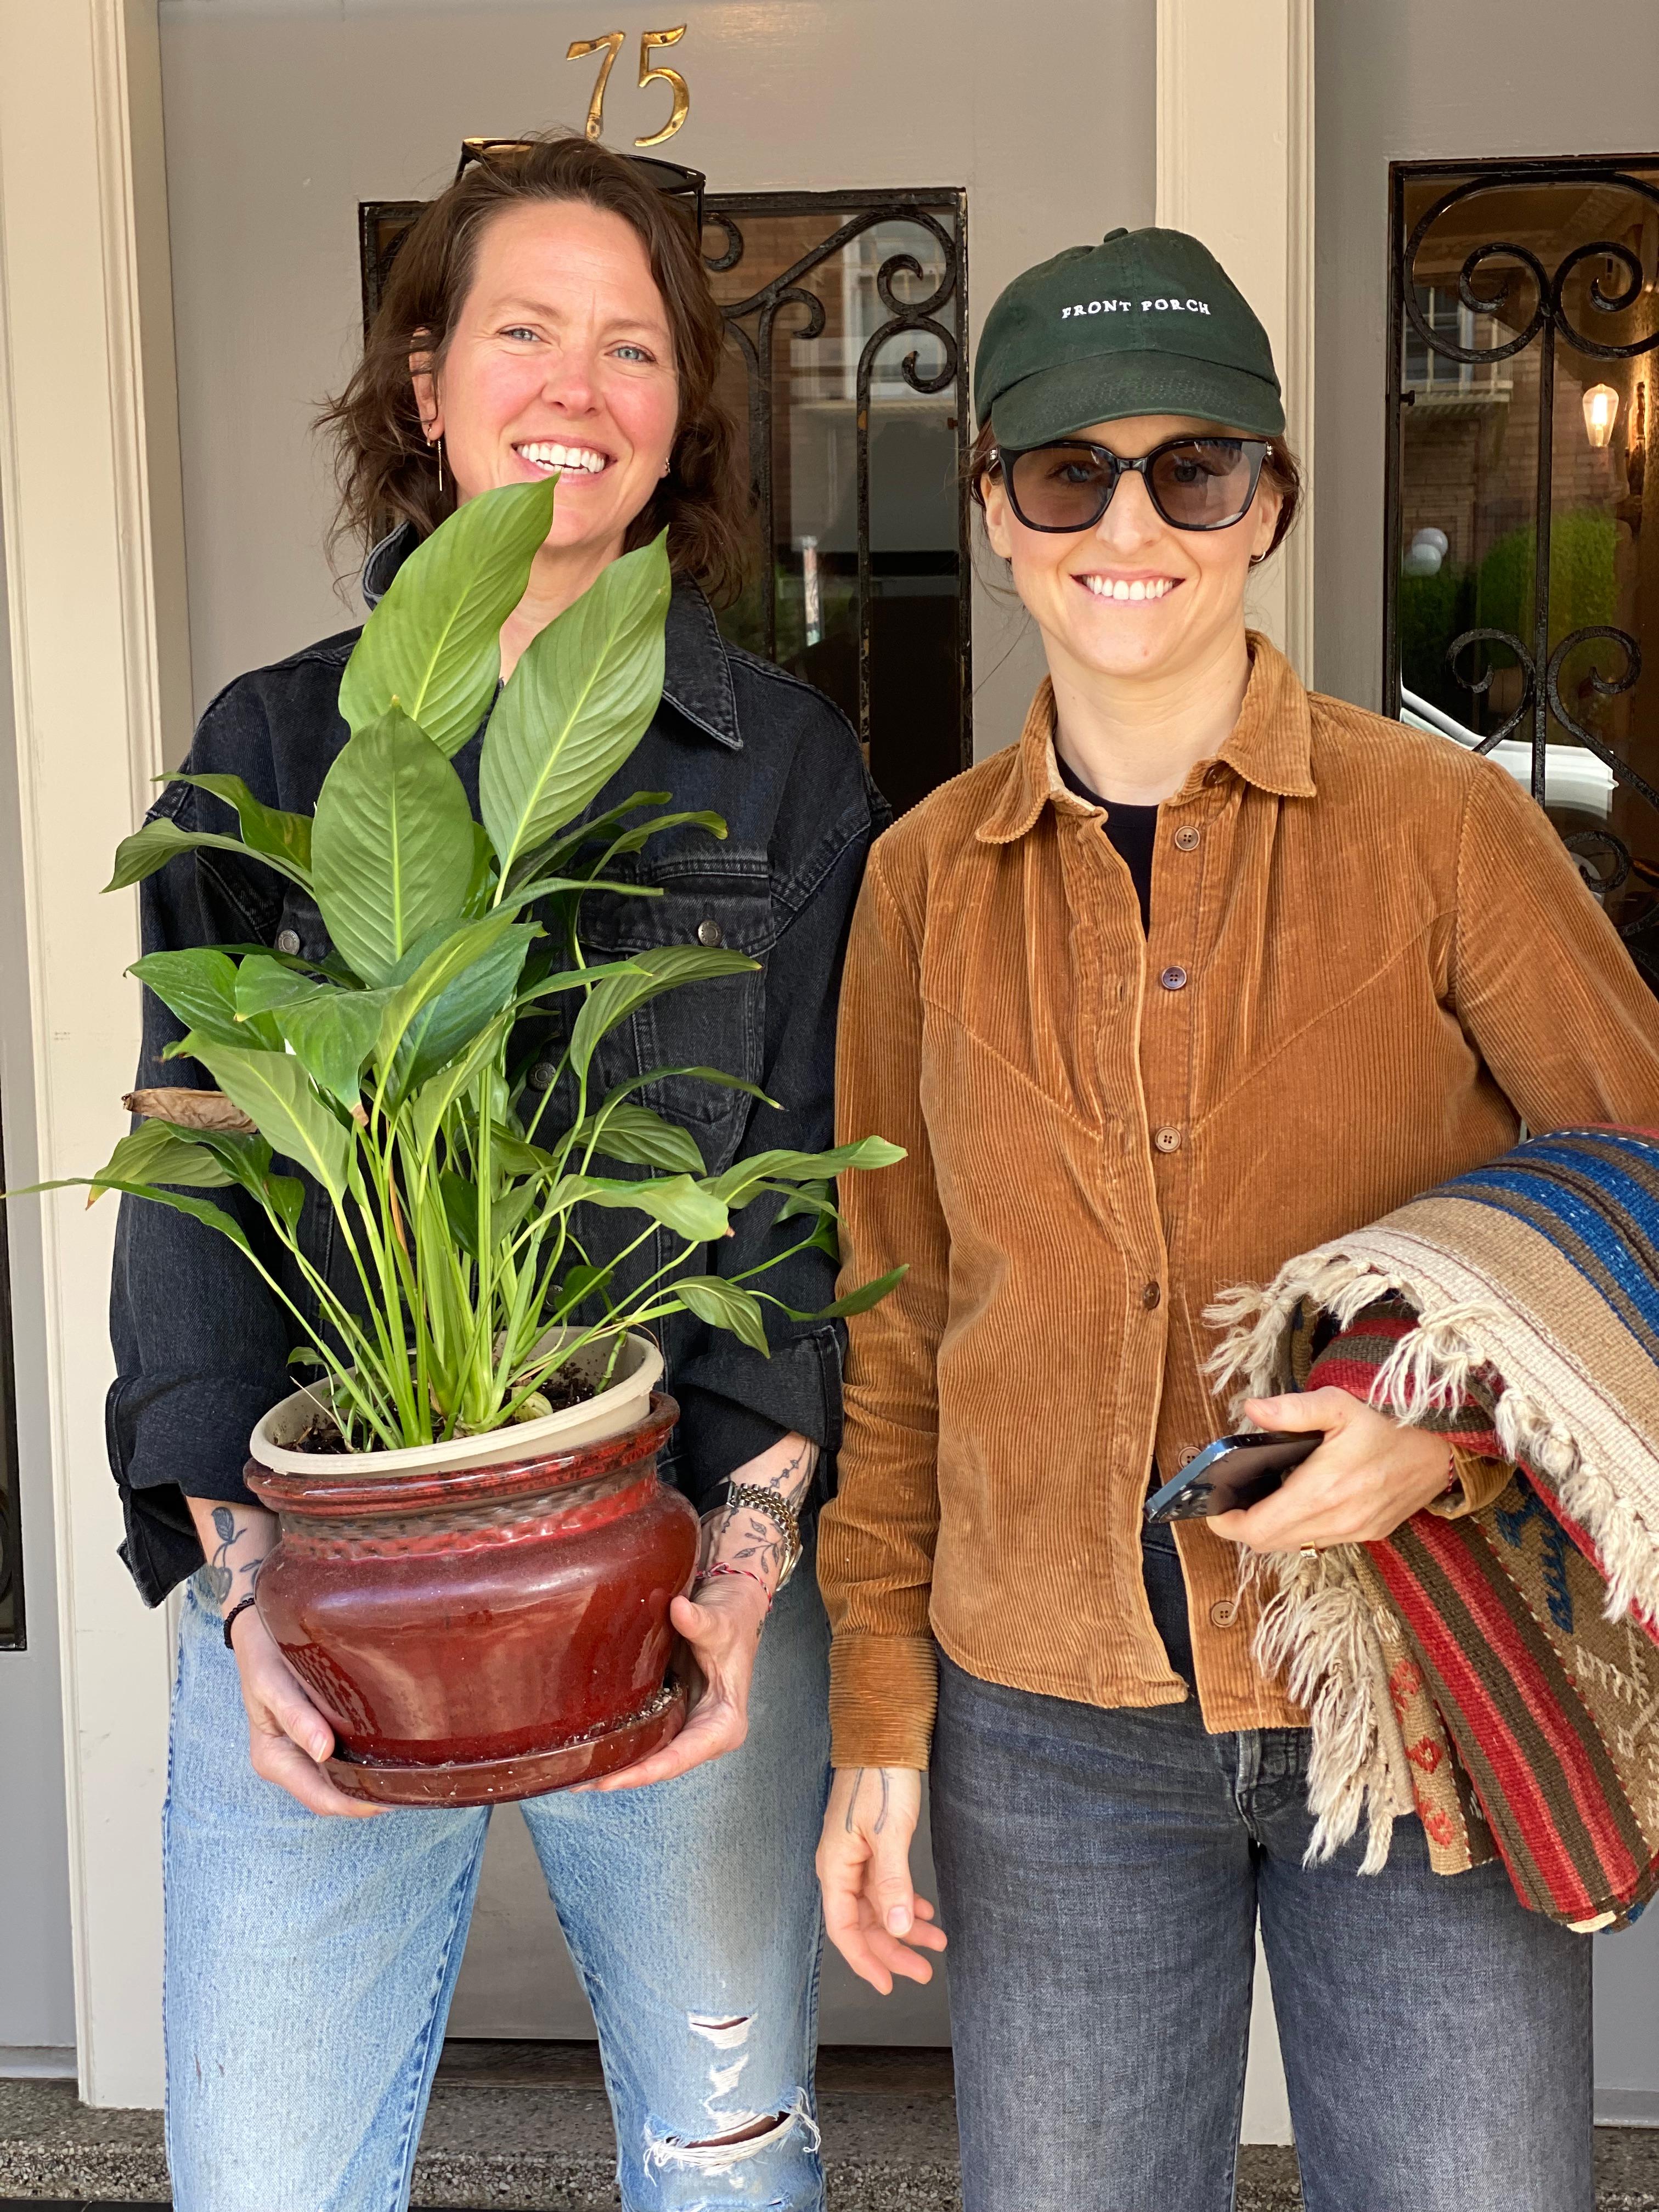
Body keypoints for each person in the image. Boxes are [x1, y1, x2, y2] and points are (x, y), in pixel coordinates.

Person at [815, 223, 1659, 2212]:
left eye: (1194, 468)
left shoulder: (1442, 829)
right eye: (1069, 472)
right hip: (1050, 1719)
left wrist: (1443, 1443)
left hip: (1409, 1679)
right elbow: (896, 1322)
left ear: (1266, 502)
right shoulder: (923, 884)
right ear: (998, 514)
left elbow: (1640, 1188)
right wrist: (879, 1726)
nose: (1134, 522)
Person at [110, 133, 886, 2212]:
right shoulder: (278, 753)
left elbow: (803, 1186)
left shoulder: (788, 768)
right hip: (334, 1567)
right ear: (426, 388)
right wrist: (241, 1590)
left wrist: (745, 1556)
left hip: (674, 1554)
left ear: (681, 418)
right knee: (270, 2175)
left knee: (727, 2159)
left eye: (634, 348)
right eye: (523, 330)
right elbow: (190, 1174)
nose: (579, 384)